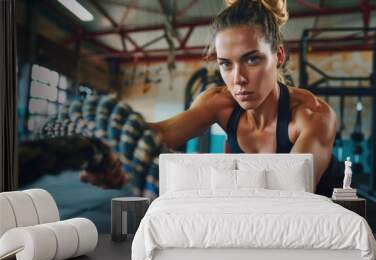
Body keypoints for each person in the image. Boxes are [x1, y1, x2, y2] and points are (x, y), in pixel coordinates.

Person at [81, 0, 343, 196]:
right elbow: (161, 132)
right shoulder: (221, 103)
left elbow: (292, 191)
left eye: (252, 59)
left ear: (279, 56)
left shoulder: (313, 116)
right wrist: (106, 147)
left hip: (320, 227)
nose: (238, 78)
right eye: (226, 64)